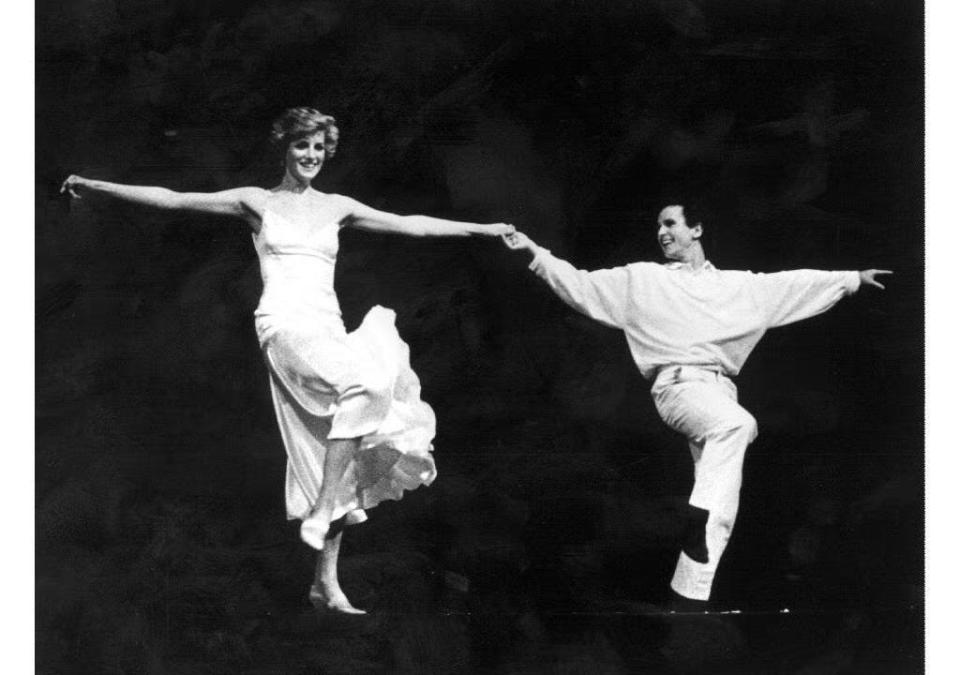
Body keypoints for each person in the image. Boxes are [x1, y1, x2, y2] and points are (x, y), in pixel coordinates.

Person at [61, 106, 514, 614]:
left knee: (340, 442)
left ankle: (325, 583)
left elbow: (412, 225)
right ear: (285, 148)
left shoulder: (338, 206)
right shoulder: (256, 202)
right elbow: (174, 200)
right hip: (283, 325)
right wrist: (96, 185)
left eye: (320, 148)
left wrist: (484, 229)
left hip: (327, 328)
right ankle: (320, 513)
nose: (311, 156)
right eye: (303, 146)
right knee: (366, 387)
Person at [502, 204, 890, 605]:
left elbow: (789, 284)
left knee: (722, 496)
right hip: (680, 386)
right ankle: (696, 521)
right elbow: (580, 285)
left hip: (719, 391)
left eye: (671, 223)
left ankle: (687, 595)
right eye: (658, 226)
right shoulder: (643, 279)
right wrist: (536, 252)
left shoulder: (736, 287)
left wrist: (852, 279)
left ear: (698, 229)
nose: (662, 232)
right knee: (736, 428)